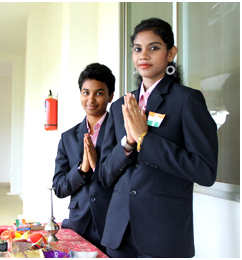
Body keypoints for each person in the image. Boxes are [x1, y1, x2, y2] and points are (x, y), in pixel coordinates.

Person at [97, 18, 218, 258]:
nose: (144, 55)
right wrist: (129, 145)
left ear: (170, 53)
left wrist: (145, 138)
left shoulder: (186, 101)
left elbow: (205, 171)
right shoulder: (121, 105)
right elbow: (104, 175)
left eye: (154, 47)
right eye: (137, 48)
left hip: (163, 233)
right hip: (119, 232)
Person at [53, 63, 115, 253]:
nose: (91, 99)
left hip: (112, 221)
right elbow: (59, 187)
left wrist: (98, 166)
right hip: (79, 224)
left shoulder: (121, 131)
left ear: (110, 96)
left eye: (99, 93)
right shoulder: (68, 137)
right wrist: (82, 169)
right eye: (86, 92)